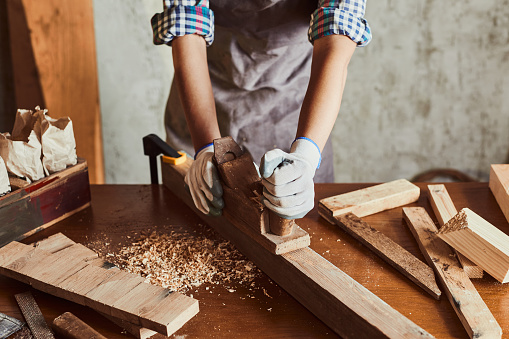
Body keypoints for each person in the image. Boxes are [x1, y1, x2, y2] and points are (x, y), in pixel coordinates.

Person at [151, 0, 371, 219]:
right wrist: (205, 147)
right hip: (203, 98)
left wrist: (306, 154)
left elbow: (338, 36)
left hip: (296, 109)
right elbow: (186, 28)